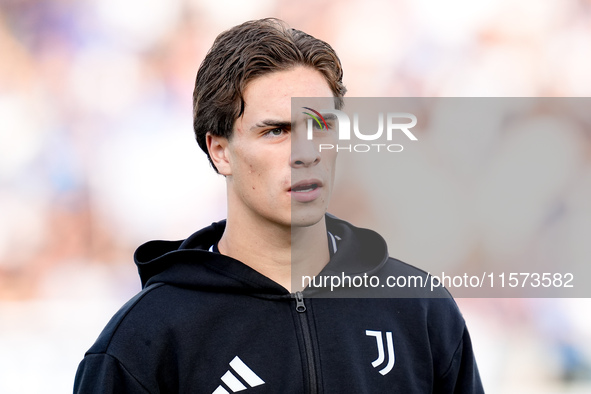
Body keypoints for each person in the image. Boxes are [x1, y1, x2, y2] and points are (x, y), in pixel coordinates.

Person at [74, 18, 484, 393]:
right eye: (276, 131)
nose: (306, 153)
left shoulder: (420, 310)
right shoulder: (145, 341)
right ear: (220, 152)